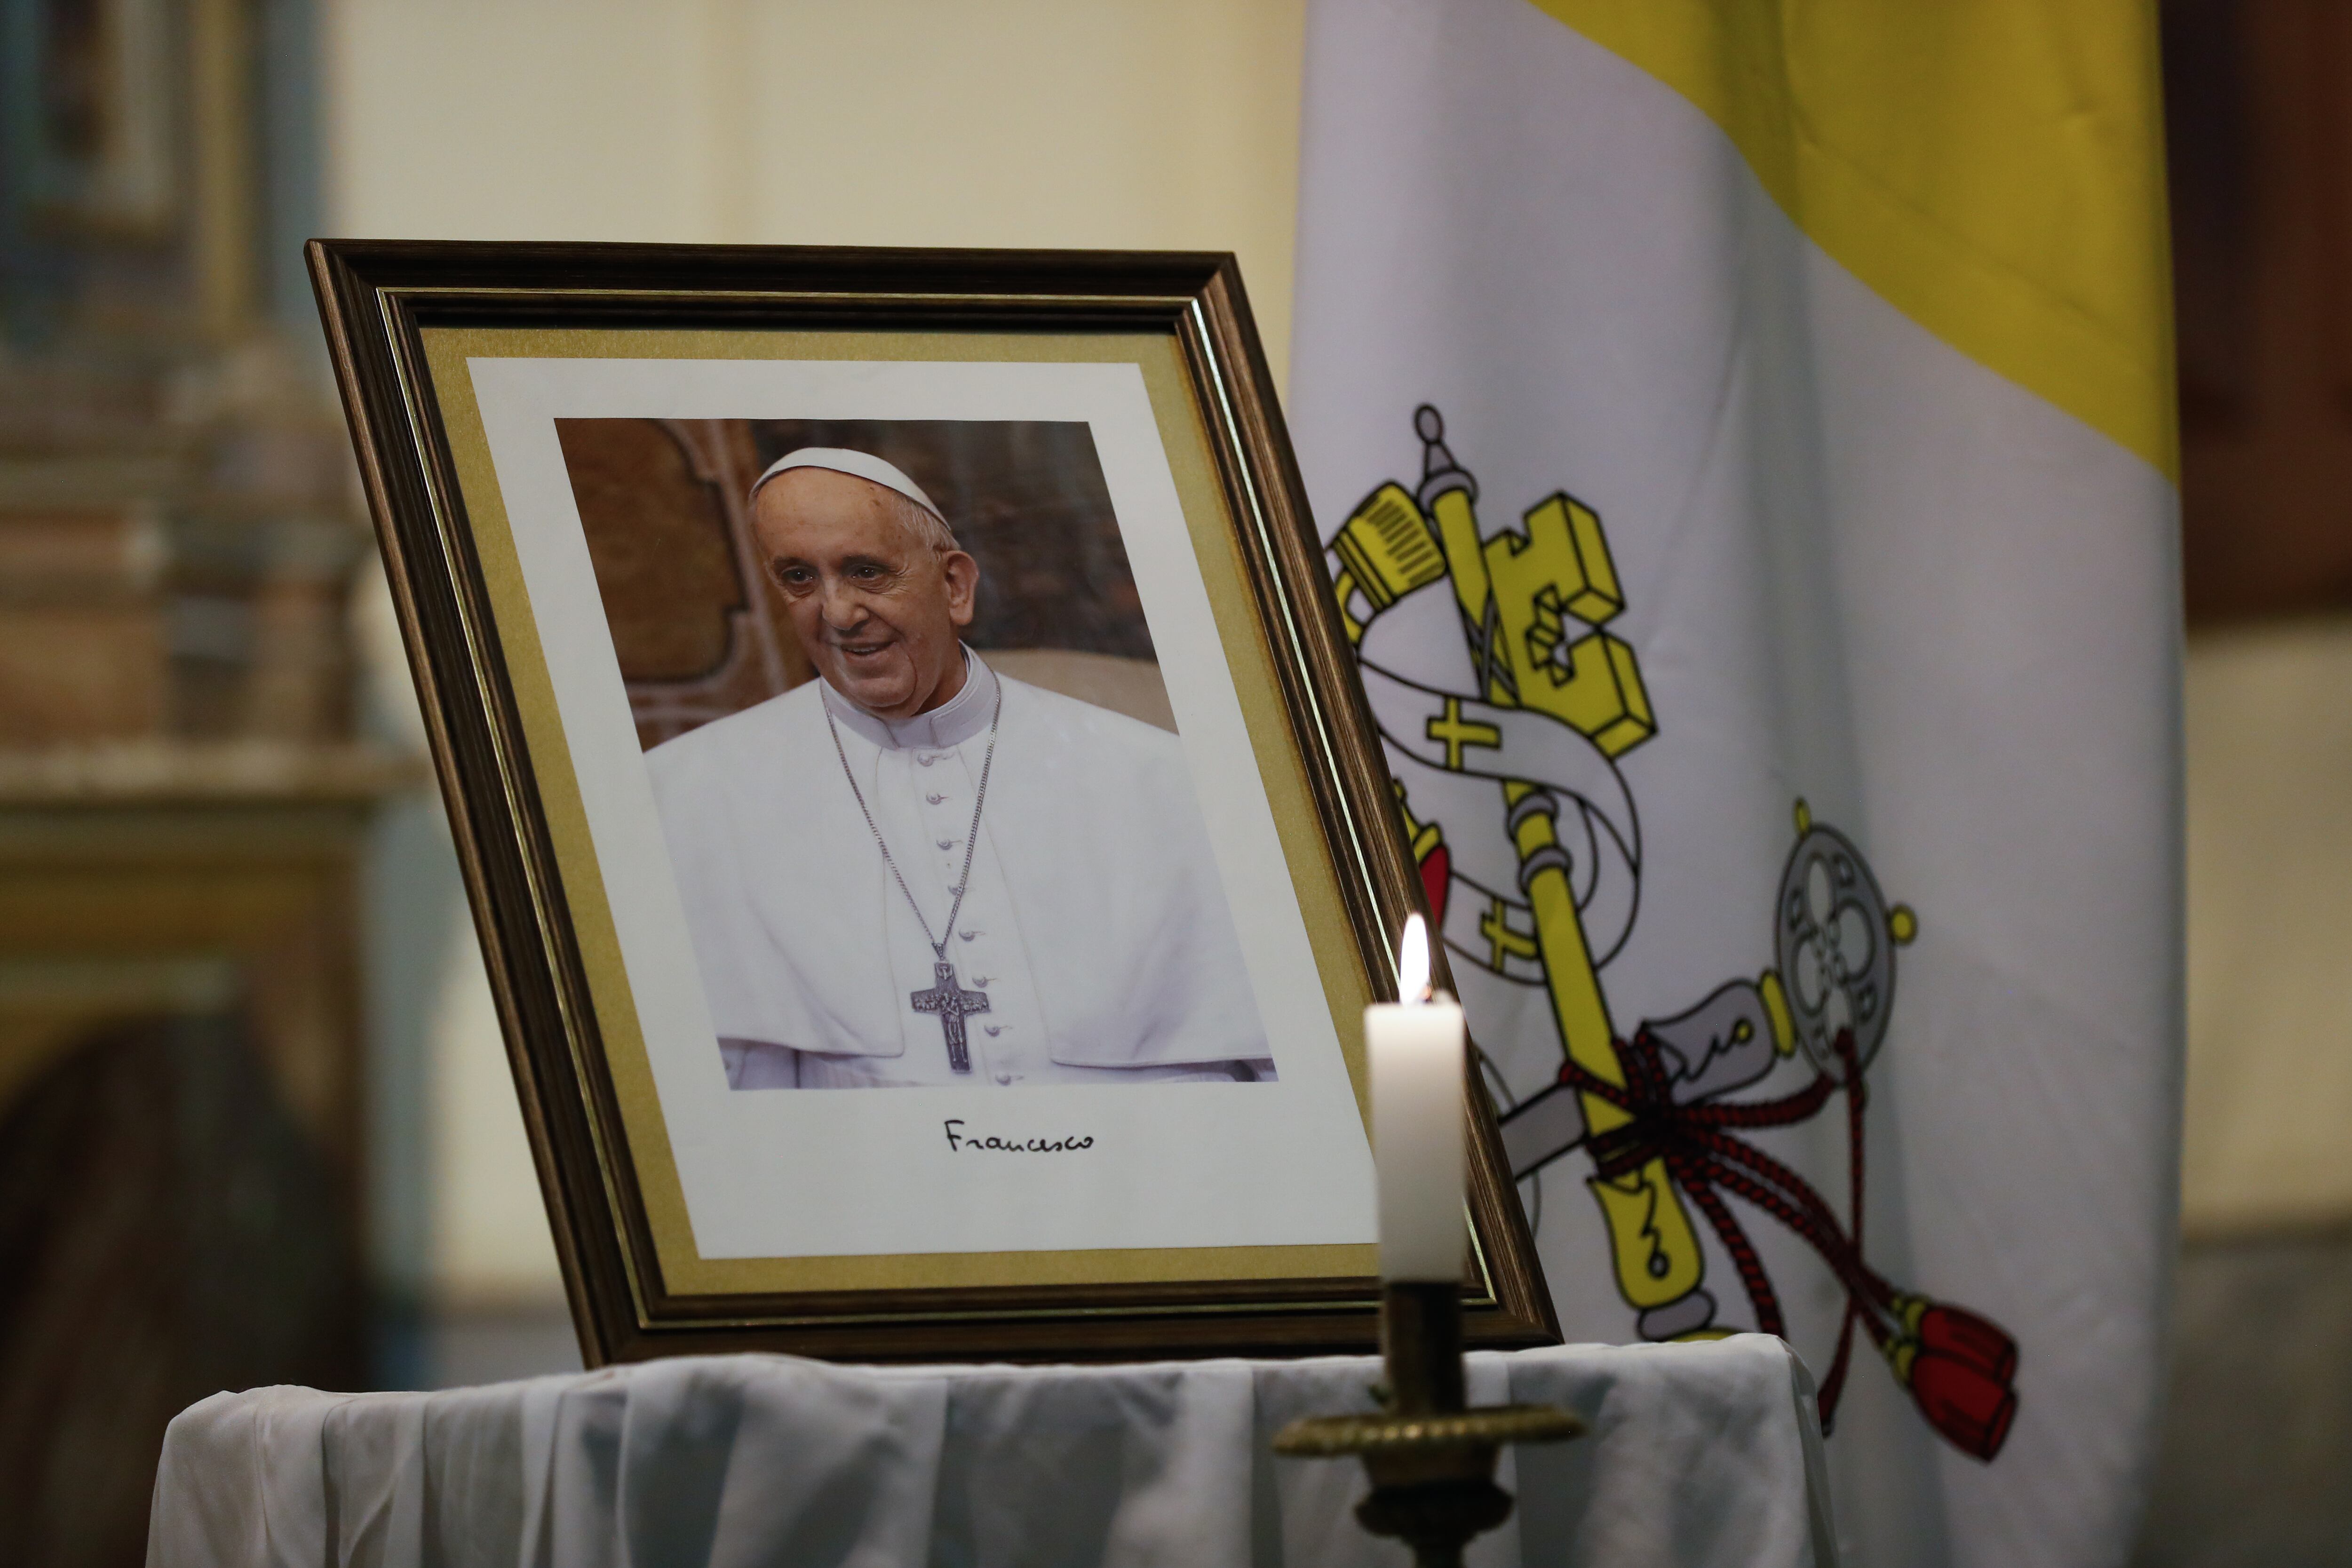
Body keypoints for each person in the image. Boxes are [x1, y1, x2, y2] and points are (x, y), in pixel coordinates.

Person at [645, 446, 1276, 1089]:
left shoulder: (1166, 783)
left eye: (866, 571)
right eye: (800, 578)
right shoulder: (686, 794)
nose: (836, 612)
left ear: (954, 586)